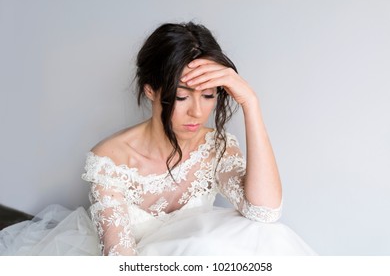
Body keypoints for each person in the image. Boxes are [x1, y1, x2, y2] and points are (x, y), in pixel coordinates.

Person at [0, 22, 315, 256]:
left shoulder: (215, 146)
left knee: (267, 235)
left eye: (209, 95)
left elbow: (265, 212)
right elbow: (122, 264)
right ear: (150, 89)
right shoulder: (110, 160)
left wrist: (250, 103)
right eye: (181, 97)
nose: (197, 112)